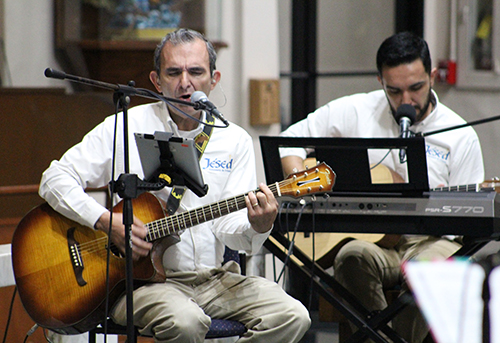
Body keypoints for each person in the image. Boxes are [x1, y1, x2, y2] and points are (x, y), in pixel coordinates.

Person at [39, 28, 311, 342]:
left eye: (196, 72)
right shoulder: (127, 126)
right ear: (156, 80)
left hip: (217, 280)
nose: (185, 83)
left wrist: (259, 224)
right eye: (174, 72)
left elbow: (232, 233)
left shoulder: (234, 140)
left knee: (292, 316)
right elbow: (54, 179)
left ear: (214, 78)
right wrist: (104, 220)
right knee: (186, 322)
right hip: (142, 284)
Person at [279, 31, 484, 342]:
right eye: (394, 90)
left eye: (416, 88)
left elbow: (466, 219)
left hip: (432, 240)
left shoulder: (460, 135)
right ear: (380, 82)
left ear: (431, 76)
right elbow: (289, 141)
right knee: (350, 256)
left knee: (428, 270)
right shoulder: (357, 110)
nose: (406, 101)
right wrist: (305, 186)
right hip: (377, 240)